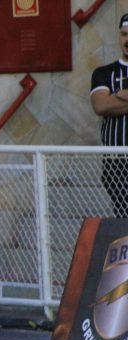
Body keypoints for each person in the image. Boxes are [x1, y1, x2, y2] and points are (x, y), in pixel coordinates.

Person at [90, 13, 128, 218]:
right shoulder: (103, 73)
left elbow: (109, 102)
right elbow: (100, 105)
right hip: (116, 163)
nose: (127, 40)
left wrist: (119, 94)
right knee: (123, 218)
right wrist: (112, 99)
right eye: (124, 34)